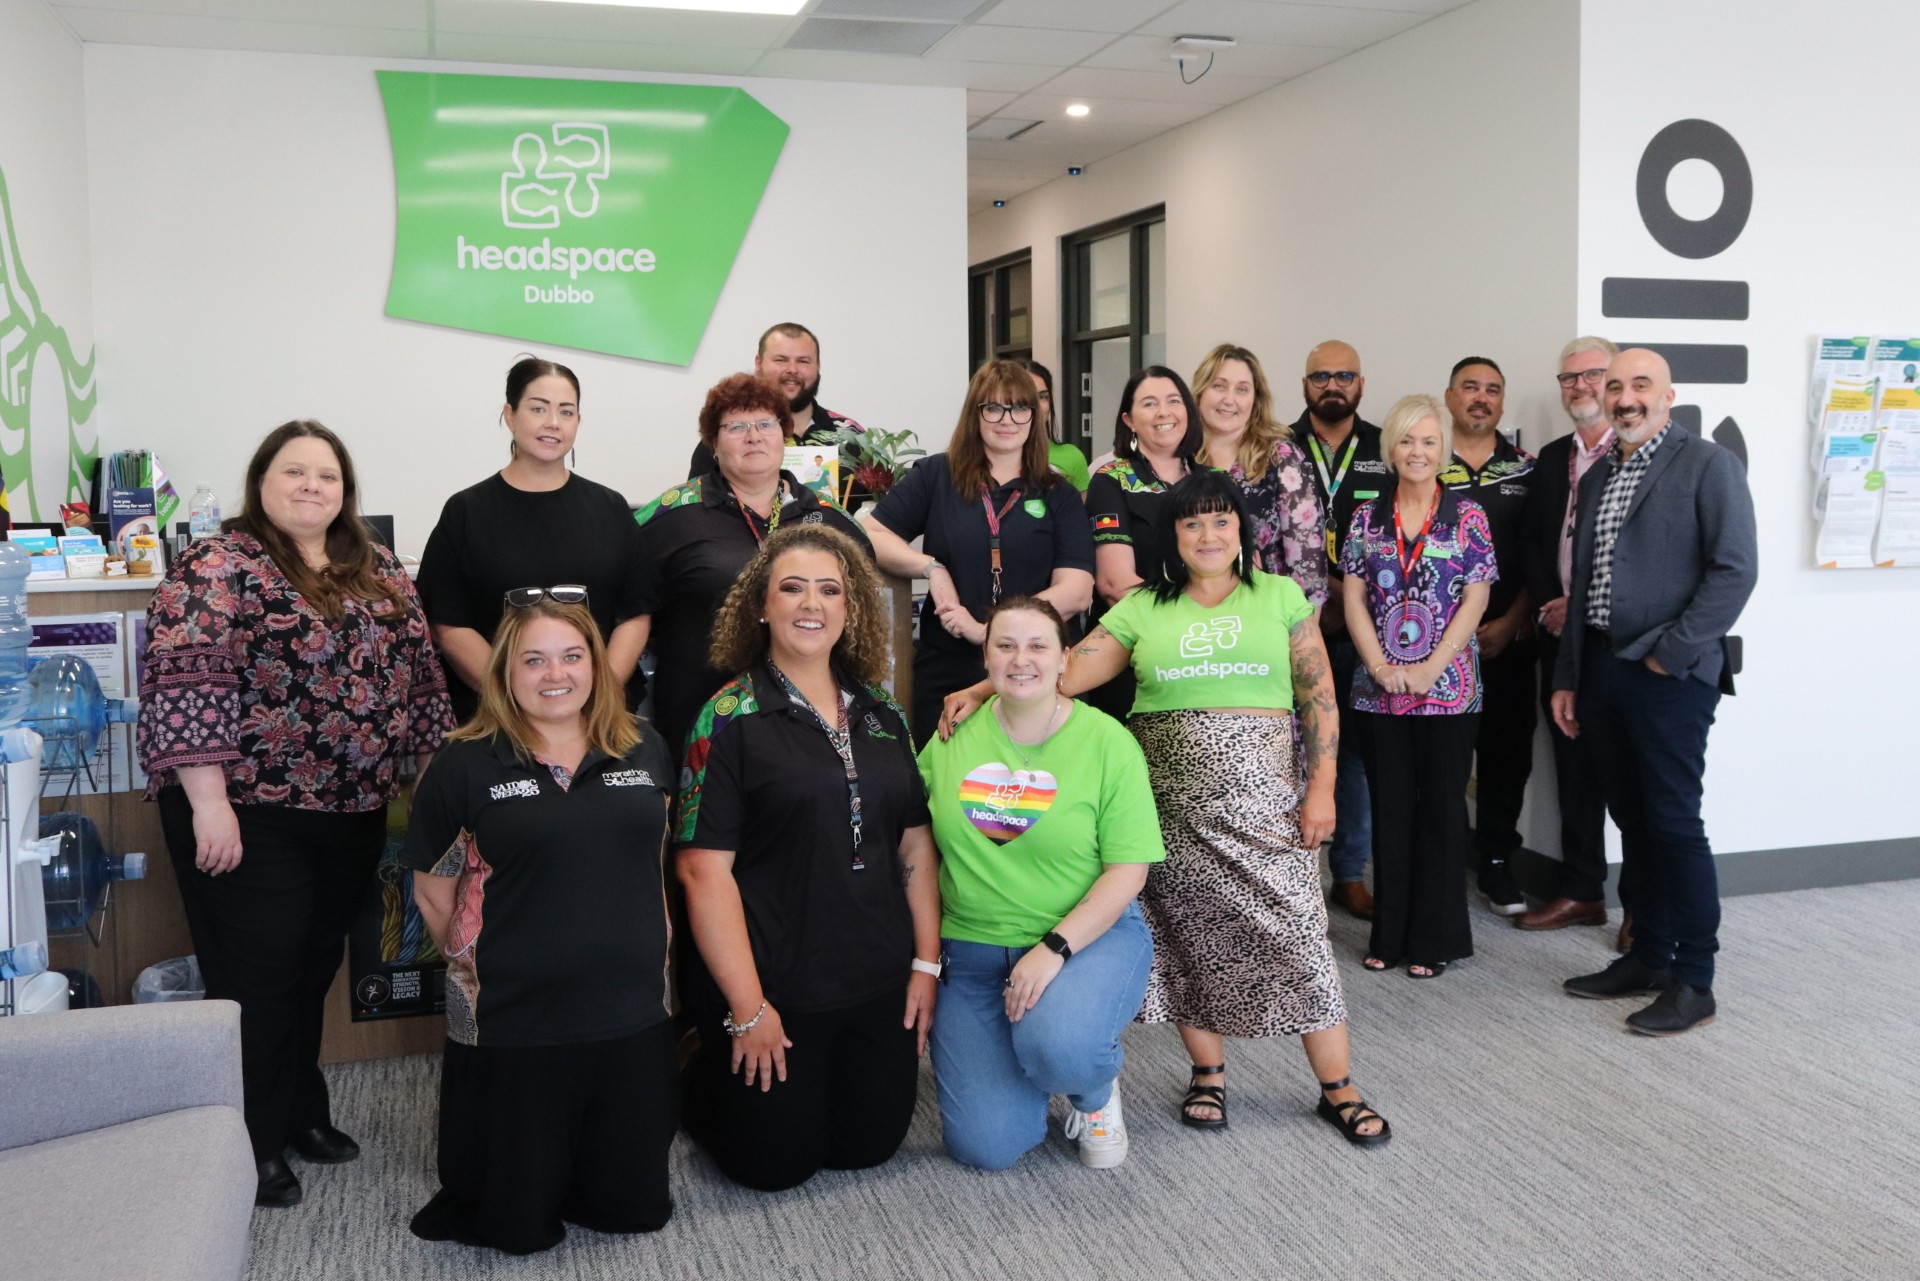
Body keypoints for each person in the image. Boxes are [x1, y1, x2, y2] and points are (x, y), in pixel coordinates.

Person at [944, 473, 1389, 1147]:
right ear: (1173, 537)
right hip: (1172, 811)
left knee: (1300, 935)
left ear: (1241, 530)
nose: (1208, 535)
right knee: (1186, 938)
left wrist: (1322, 788)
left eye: (1220, 521)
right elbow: (1060, 668)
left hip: (1268, 805)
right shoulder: (1142, 607)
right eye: (1191, 524)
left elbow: (1317, 696)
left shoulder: (1280, 595)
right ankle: (1208, 1073)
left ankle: (1339, 1087)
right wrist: (983, 688)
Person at [137, 420, 455, 1208]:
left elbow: (420, 675)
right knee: (260, 976)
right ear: (261, 481)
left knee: (313, 967)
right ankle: (252, 1140)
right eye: (294, 471)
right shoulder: (218, 563)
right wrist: (208, 802)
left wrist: (431, 777)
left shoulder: (377, 565)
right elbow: (186, 682)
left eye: (327, 475)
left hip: (352, 806)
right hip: (246, 809)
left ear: (345, 490)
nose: (312, 485)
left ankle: (299, 1110)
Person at [403, 599, 677, 1254]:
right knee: (516, 1224)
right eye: (534, 659)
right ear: (506, 671)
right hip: (513, 1016)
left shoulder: (645, 746)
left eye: (572, 656)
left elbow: (654, 866)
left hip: (632, 1008)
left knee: (632, 1211)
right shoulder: (464, 763)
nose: (555, 674)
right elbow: (433, 893)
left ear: (596, 666)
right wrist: (487, 966)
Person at [674, 525, 940, 1191]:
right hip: (778, 987)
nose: (811, 603)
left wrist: (926, 963)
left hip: (876, 978)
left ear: (851, 609)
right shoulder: (726, 717)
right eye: (792, 588)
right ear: (761, 606)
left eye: (829, 590)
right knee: (773, 1167)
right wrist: (748, 1008)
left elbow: (915, 843)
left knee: (867, 1147)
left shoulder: (884, 713)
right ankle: (694, 1056)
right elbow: (702, 870)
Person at [1552, 348, 1757, 1036]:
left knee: (1673, 824)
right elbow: (1582, 586)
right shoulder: (1599, 473)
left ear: (1669, 396)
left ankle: (1695, 979)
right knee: (1633, 822)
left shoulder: (1707, 465)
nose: (1625, 397)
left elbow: (1735, 571)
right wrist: (1569, 676)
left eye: (1641, 385)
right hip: (1602, 670)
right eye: (1615, 386)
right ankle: (1648, 956)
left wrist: (1672, 654)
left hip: (1668, 675)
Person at [919, 597, 1162, 1170]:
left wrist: (1053, 949)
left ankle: (1092, 1089)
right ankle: (1034, 1054)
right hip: (972, 952)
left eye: (1037, 646)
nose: (1020, 659)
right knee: (986, 1148)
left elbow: (1129, 870)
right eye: (1005, 646)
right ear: (986, 658)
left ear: (1064, 659)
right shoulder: (953, 735)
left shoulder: (1107, 742)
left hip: (1084, 939)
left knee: (1060, 1049)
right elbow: (912, 832)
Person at [631, 372, 870, 756]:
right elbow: (624, 607)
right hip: (700, 730)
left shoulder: (830, 520)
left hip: (810, 732)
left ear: (784, 434)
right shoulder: (670, 517)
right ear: (713, 442)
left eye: (766, 424)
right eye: (737, 427)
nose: (754, 436)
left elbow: (863, 622)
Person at [1341, 394, 1496, 979]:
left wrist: (1432, 667)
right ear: (1391, 449)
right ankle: (1391, 933)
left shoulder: (1468, 516)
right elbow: (1353, 597)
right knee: (1391, 810)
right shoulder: (1366, 518)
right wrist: (1380, 667)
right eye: (1407, 440)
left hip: (1448, 689)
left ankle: (1436, 938)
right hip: (1378, 689)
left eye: (1429, 441)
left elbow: (1477, 597)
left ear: (1444, 450)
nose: (1418, 451)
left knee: (1441, 811)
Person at [863, 359, 1095, 744]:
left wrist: (991, 632)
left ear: (1035, 416)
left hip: (1035, 670)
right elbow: (870, 534)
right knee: (946, 776)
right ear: (975, 413)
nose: (1008, 420)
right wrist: (931, 568)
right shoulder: (936, 476)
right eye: (994, 408)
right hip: (950, 669)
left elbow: (1077, 591)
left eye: (1020, 408)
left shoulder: (1058, 492)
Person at [417, 357, 648, 721]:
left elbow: (635, 614)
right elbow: (449, 623)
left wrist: (597, 696)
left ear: (578, 421)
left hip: (599, 717)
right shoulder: (466, 512)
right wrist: (513, 697)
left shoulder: (610, 508)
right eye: (538, 408)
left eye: (566, 412)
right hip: (498, 718)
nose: (553, 422)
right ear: (510, 415)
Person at [1518, 336, 1620, 933]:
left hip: (1614, 638)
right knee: (1573, 767)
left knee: (1629, 773)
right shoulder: (1554, 457)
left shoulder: (1637, 454)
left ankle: (1644, 907)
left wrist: (1576, 607)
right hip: (1558, 638)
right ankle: (1583, 889)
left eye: (1592, 374)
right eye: (1569, 377)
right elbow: (1534, 541)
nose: (1580, 386)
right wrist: (1549, 609)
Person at [1440, 357, 1537, 917]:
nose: (1481, 397)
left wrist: (1512, 621)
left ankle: (1498, 861)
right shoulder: (1425, 461)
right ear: (1449, 397)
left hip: (1506, 643)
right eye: (1470, 387)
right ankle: (1447, 863)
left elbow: (1538, 559)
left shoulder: (1526, 469)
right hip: (1435, 650)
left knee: (1506, 760)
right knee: (1445, 763)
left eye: (1492, 390)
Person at [1296, 340, 1388, 922]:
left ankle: (1350, 874)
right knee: (1290, 753)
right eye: (1321, 376)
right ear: (1304, 384)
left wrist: (1345, 595)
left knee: (1352, 754)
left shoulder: (1385, 446)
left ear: (1361, 383)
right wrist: (1313, 596)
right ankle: (1295, 878)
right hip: (1294, 623)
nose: (1333, 385)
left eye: (1345, 375)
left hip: (1365, 627)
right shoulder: (1277, 446)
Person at [1082, 366, 1205, 721]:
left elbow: (1246, 571)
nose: (1164, 412)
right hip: (1133, 659)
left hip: (1209, 658)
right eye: (1149, 404)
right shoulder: (1112, 480)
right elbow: (1114, 584)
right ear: (1129, 420)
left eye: (1173, 401)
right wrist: (1199, 619)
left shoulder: (1215, 482)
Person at [1193, 343, 1327, 607]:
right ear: (1200, 391)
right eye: (1219, 386)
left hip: (1266, 616)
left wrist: (1305, 628)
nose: (1229, 399)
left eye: (1242, 389)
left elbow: (1308, 568)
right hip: (1191, 615)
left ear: (1255, 400)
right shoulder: (1180, 460)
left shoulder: (1281, 458)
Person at [687, 323, 867, 501]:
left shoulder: (852, 435)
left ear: (818, 366)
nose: (792, 370)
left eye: (803, 361)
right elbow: (697, 506)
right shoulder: (727, 438)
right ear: (758, 363)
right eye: (781, 360)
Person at [1019, 358, 1091, 493]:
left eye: (1043, 397)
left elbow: (1082, 506)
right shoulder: (994, 458)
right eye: (1026, 398)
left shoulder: (1072, 457)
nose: (1037, 406)